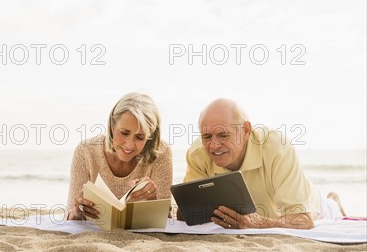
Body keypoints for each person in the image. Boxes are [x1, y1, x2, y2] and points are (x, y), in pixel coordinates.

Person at [182, 98, 345, 230]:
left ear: (246, 131)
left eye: (223, 135)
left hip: (314, 206)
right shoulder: (198, 154)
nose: (214, 145)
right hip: (260, 214)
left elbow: (304, 221)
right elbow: (187, 213)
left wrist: (257, 223)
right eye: (207, 136)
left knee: (329, 209)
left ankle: (333, 202)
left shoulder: (277, 148)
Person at [66, 92, 173, 221]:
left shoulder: (161, 152)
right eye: (124, 133)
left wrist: (153, 203)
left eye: (140, 137)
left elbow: (166, 220)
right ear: (112, 126)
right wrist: (78, 211)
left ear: (150, 136)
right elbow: (70, 217)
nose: (129, 145)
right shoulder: (86, 152)